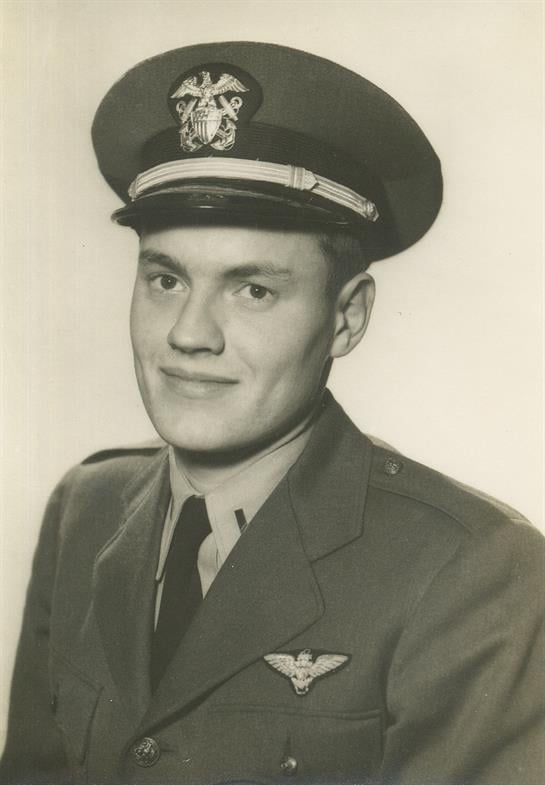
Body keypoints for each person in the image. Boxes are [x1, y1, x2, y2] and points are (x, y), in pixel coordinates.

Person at [1, 41, 543, 785]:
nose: (189, 333)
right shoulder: (85, 511)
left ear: (346, 318)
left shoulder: (469, 570)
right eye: (165, 278)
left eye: (252, 289)